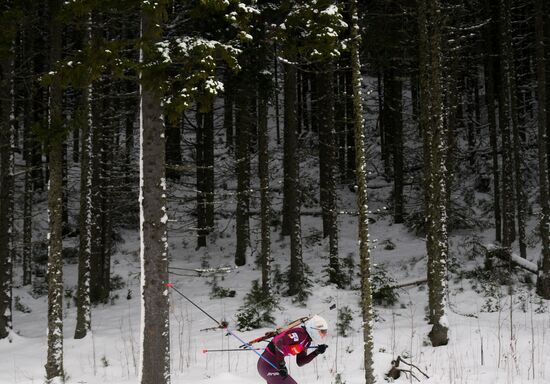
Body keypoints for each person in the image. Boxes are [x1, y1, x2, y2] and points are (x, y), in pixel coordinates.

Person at [257, 315, 328, 384]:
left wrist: (316, 352)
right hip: (268, 364)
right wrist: (281, 365)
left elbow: (300, 361)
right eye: (323, 332)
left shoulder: (306, 341)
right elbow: (279, 342)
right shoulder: (300, 335)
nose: (324, 334)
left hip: (270, 366)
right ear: (313, 329)